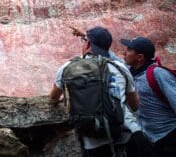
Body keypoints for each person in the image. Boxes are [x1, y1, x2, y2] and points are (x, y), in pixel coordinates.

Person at [50, 26, 139, 157]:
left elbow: (53, 97)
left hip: (91, 142)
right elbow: (134, 105)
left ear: (88, 44)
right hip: (121, 136)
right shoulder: (120, 67)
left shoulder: (68, 67)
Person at [121, 37, 176, 157]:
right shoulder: (130, 72)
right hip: (150, 139)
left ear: (140, 57)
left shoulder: (158, 74)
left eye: (129, 50)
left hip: (169, 136)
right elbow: (113, 60)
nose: (124, 52)